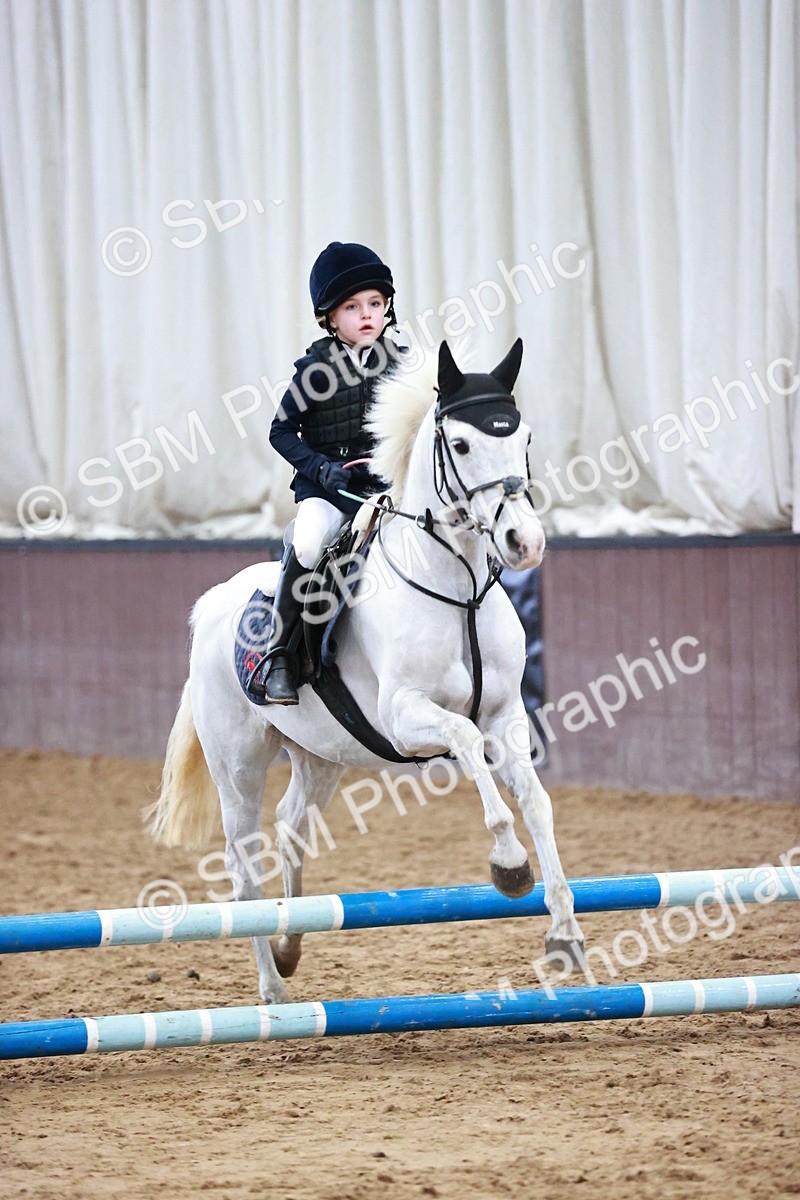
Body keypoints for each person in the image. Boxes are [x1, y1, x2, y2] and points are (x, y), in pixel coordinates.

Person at [250, 241, 402, 704]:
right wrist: (320, 468)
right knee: (311, 541)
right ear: (330, 318)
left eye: (375, 303)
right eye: (352, 307)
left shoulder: (403, 365)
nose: (367, 314)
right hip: (328, 490)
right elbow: (280, 431)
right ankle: (280, 655)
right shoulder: (315, 370)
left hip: (383, 489)